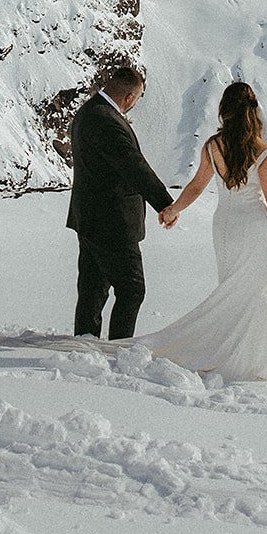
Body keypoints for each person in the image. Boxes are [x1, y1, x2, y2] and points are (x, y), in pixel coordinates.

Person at [138, 81, 267, 382]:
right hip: (253, 228)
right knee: (256, 296)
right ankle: (251, 365)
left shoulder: (213, 146)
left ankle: (226, 354)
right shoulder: (264, 152)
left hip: (224, 226)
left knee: (229, 290)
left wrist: (174, 209)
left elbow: (197, 185)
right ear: (254, 113)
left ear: (225, 111)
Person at [67, 65, 174, 340]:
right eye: (136, 99)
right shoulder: (106, 120)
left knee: (93, 287)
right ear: (128, 96)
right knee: (132, 289)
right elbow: (133, 166)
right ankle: (119, 349)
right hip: (112, 220)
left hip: (90, 217)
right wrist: (164, 203)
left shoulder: (88, 112)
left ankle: (86, 342)